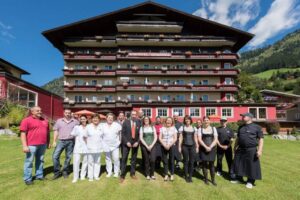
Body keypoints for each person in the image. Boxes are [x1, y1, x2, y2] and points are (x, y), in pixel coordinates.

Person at [232, 112, 264, 189]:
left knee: (251, 165)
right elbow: (238, 138)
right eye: (242, 116)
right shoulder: (241, 127)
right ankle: (239, 179)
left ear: (250, 117)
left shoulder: (257, 127)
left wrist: (259, 150)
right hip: (240, 149)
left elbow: (261, 139)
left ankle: (250, 181)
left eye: (244, 116)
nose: (242, 117)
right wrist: (235, 147)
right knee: (239, 164)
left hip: (251, 149)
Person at [20, 106, 50, 185]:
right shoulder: (26, 120)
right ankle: (27, 178)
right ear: (32, 112)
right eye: (37, 111)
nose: (40, 112)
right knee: (29, 161)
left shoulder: (45, 121)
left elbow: (48, 133)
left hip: (43, 144)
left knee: (40, 160)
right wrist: (24, 146)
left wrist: (48, 142)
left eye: (40, 110)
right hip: (31, 145)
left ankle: (39, 175)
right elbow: (23, 134)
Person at [52, 109, 79, 179]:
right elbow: (55, 131)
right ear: (64, 113)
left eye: (69, 113)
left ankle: (65, 171)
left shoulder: (75, 122)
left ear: (71, 114)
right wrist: (54, 141)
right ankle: (57, 172)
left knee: (68, 157)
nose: (67, 114)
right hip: (61, 141)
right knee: (55, 156)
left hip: (71, 141)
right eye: (66, 113)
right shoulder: (59, 121)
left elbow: (78, 133)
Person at [120, 110, 141, 183]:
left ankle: (132, 173)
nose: (134, 116)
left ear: (136, 115)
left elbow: (140, 134)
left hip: (135, 143)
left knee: (134, 159)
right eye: (132, 114)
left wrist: (137, 142)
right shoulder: (126, 122)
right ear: (130, 115)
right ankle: (122, 175)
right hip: (127, 143)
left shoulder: (139, 122)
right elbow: (123, 133)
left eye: (135, 114)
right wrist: (126, 142)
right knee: (124, 158)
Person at [198, 116, 218, 186]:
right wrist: (206, 147)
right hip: (203, 148)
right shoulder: (200, 129)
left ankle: (213, 180)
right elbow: (199, 139)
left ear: (209, 121)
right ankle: (206, 179)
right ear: (203, 121)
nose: (206, 121)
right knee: (204, 164)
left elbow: (215, 139)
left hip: (212, 149)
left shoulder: (214, 129)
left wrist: (210, 147)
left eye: (207, 120)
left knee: (212, 164)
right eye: (205, 120)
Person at [178, 115, 199, 183]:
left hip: (192, 146)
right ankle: (186, 176)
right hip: (185, 146)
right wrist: (179, 146)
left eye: (188, 119)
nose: (187, 121)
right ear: (184, 121)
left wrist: (197, 146)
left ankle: (190, 176)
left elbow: (195, 138)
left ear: (190, 120)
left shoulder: (194, 128)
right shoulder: (182, 127)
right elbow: (180, 138)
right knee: (186, 162)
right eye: (186, 120)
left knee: (192, 162)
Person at [101, 113, 122, 178]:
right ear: (106, 118)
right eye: (109, 117)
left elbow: (120, 134)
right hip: (106, 145)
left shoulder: (117, 125)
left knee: (116, 159)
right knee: (108, 159)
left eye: (111, 117)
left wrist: (119, 142)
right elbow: (101, 135)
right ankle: (109, 172)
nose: (110, 118)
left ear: (113, 119)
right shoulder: (103, 125)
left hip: (115, 145)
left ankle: (116, 172)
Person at [71, 115, 89, 183]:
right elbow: (72, 134)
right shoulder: (77, 127)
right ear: (80, 120)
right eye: (81, 119)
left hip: (87, 147)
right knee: (76, 162)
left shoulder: (89, 127)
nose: (83, 120)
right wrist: (77, 133)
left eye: (84, 119)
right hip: (78, 147)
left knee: (85, 162)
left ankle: (82, 176)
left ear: (86, 119)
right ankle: (75, 177)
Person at [159, 117, 178, 181]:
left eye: (170, 121)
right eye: (167, 120)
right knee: (165, 161)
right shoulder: (162, 128)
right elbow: (160, 138)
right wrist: (164, 145)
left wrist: (169, 145)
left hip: (171, 145)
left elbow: (175, 138)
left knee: (172, 160)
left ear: (172, 122)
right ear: (165, 121)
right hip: (163, 146)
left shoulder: (174, 128)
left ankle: (172, 174)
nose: (169, 122)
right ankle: (166, 174)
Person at [86, 114, 103, 181]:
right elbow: (85, 137)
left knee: (97, 162)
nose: (95, 119)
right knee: (90, 162)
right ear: (91, 119)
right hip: (90, 147)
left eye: (97, 118)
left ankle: (96, 176)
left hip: (99, 147)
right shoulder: (88, 127)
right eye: (94, 118)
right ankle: (90, 176)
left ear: (99, 120)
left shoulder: (101, 127)